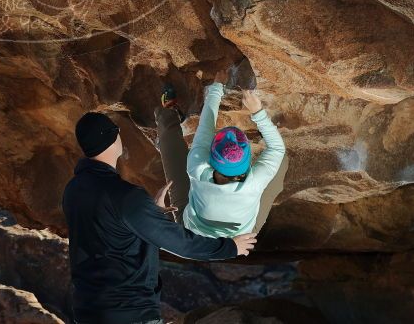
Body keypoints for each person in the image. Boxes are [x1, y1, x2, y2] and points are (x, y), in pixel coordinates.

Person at [62, 112, 256, 324]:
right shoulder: (127, 196)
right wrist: (230, 247)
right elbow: (180, 243)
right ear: (113, 137)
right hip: (130, 314)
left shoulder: (73, 190)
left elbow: (109, 234)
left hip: (87, 313)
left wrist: (149, 216)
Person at [156, 69, 288, 237]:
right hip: (239, 238)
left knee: (170, 145)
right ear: (246, 161)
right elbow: (277, 149)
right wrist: (258, 114)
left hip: (194, 232)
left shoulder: (198, 166)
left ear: (211, 158)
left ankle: (168, 110)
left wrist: (218, 86)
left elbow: (206, 126)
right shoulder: (251, 182)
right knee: (280, 162)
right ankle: (168, 112)